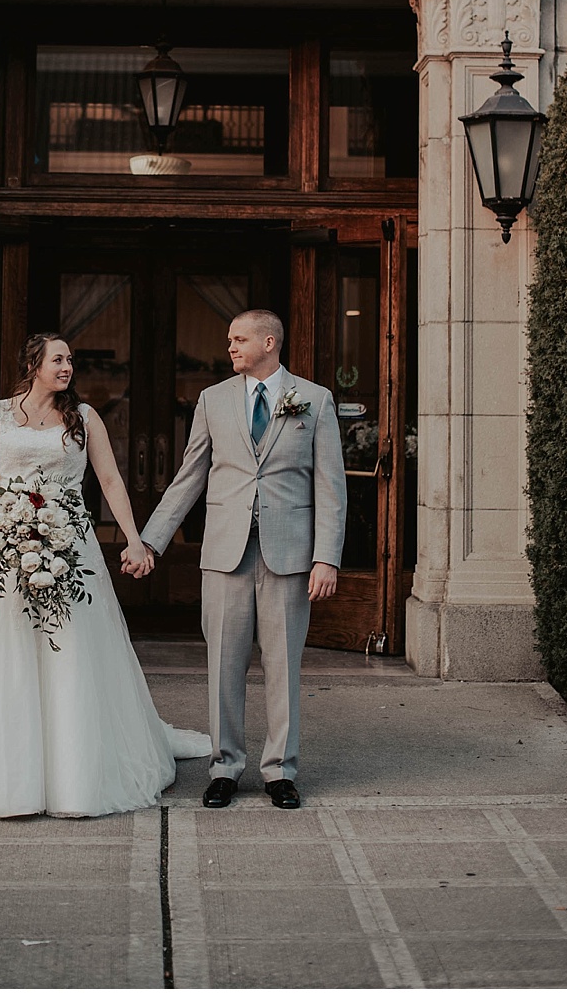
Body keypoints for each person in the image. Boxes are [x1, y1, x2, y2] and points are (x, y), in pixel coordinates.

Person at [0, 333, 210, 818]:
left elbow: (110, 480)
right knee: (3, 643)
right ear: (34, 364)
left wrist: (134, 539)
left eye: (71, 360)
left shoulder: (85, 418)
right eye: (58, 359)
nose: (67, 367)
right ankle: (4, 772)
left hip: (70, 543)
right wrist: (10, 508)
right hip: (6, 542)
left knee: (70, 645)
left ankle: (71, 773)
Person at [132, 309, 345, 809]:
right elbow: (189, 477)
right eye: (229, 339)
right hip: (225, 555)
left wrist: (326, 558)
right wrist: (150, 541)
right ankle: (225, 767)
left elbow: (330, 488)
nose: (229, 347)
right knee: (223, 665)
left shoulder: (314, 400)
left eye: (238, 339)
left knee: (284, 668)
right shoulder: (213, 400)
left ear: (269, 342)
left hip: (289, 556)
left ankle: (280, 773)